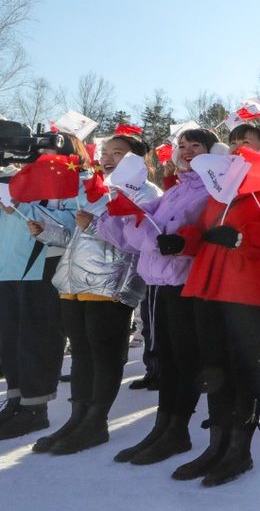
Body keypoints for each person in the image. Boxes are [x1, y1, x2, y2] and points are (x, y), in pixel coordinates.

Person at [174, 123, 260, 486]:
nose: (238, 147)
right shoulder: (221, 185)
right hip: (208, 283)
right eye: (234, 142)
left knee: (244, 367)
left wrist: (243, 238)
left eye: (247, 142)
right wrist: (183, 240)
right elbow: (207, 229)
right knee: (213, 365)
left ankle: (239, 450)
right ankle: (216, 444)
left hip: (246, 285)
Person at [28, 132, 162, 455]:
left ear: (138, 159)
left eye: (119, 153)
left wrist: (91, 225)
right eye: (106, 151)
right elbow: (75, 235)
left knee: (104, 355)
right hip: (74, 284)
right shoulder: (94, 189)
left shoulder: (146, 193)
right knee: (82, 356)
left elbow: (138, 241)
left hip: (110, 285)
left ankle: (96, 421)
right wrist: (47, 231)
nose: (108, 158)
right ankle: (77, 418)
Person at [97, 128, 220, 465]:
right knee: (166, 358)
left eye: (197, 145)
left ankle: (177, 430)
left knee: (184, 359)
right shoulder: (175, 191)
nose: (188, 150)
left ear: (213, 152)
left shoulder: (212, 191)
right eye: (183, 145)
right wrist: (115, 211)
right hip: (159, 284)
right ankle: (162, 427)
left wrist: (156, 238)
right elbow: (134, 239)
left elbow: (185, 241)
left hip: (186, 285)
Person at [0, 147, 76, 440]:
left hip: (41, 265)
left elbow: (71, 226)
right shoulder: (11, 176)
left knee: (37, 336)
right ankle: (16, 400)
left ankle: (36, 409)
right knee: (11, 337)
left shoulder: (69, 179)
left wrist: (26, 208)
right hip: (8, 263)